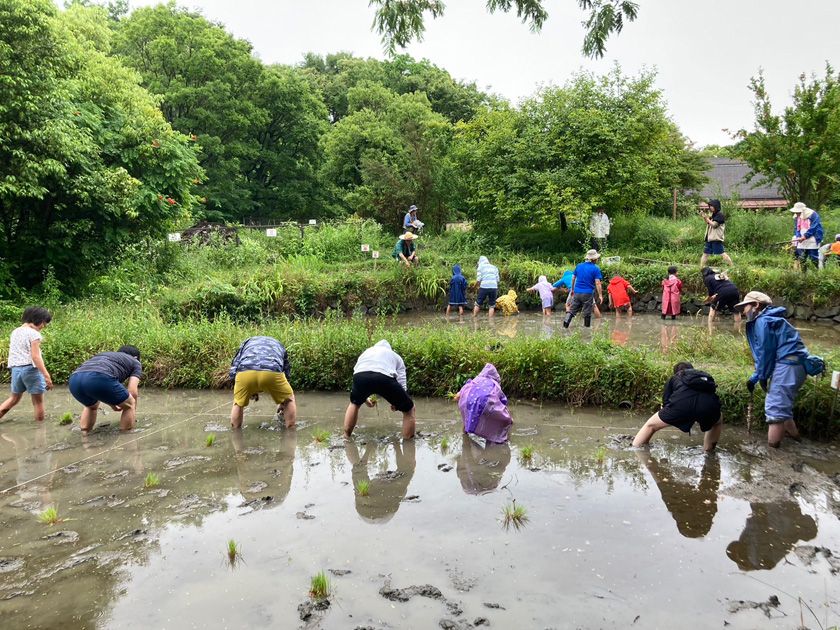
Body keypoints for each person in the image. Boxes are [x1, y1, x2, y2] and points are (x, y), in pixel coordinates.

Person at [735, 291, 809, 448]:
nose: (744, 311)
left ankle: (773, 453)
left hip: (787, 366)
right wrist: (756, 376)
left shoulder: (763, 321)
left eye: (746, 307)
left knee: (775, 409)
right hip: (796, 367)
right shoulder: (773, 319)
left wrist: (760, 376)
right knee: (783, 408)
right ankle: (797, 441)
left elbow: (766, 352)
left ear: (756, 305)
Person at [633, 362, 723, 452]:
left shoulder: (675, 377)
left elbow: (665, 402)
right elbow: (713, 394)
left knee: (650, 426)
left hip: (682, 405)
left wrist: (665, 409)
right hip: (708, 406)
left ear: (676, 372)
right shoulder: (704, 377)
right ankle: (708, 451)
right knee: (718, 422)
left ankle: (636, 449)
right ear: (693, 369)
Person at [344, 340, 415, 440]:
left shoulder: (366, 352)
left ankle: (346, 436)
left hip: (360, 376)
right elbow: (402, 382)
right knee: (409, 410)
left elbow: (359, 374)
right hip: (384, 377)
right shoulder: (395, 356)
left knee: (354, 403)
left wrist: (364, 398)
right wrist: (398, 403)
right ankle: (408, 445)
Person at [68, 345, 142, 433]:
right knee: (130, 404)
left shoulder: (106, 355)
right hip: (99, 377)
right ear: (136, 357)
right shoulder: (135, 362)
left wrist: (113, 404)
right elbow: (132, 391)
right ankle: (126, 437)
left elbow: (104, 390)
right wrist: (132, 409)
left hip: (74, 379)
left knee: (91, 406)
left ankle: (85, 435)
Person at [229, 336, 297, 429]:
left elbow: (234, 368)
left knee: (237, 403)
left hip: (245, 372)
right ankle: (290, 431)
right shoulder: (279, 344)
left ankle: (235, 432)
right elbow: (286, 371)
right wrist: (283, 402)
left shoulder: (246, 342)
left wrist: (246, 390)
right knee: (289, 399)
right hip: (271, 371)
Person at [0, 307, 53, 423]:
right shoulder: (34, 334)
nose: (43, 326)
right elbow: (35, 357)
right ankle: (40, 430)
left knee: (14, 398)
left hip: (16, 370)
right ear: (36, 319)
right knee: (38, 402)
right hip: (31, 370)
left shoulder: (15, 332)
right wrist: (46, 375)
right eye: (43, 322)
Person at [453, 363, 513, 443]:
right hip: (487, 403)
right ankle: (498, 439)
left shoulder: (474, 381)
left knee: (469, 411)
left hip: (468, 401)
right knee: (505, 420)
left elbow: (457, 397)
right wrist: (509, 419)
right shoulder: (494, 384)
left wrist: (465, 410)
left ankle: (465, 434)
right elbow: (502, 405)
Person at [563, 249, 603, 329]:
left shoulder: (579, 266)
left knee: (572, 311)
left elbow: (573, 279)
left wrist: (573, 290)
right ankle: (586, 331)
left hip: (577, 293)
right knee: (587, 313)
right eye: (597, 258)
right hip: (587, 293)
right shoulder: (596, 269)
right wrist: (600, 295)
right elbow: (598, 283)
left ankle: (564, 327)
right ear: (594, 259)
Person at [790, 201, 823, 270]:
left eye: (798, 212)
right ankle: (804, 274)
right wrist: (798, 236)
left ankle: (818, 272)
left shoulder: (813, 215)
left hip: (813, 239)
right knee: (802, 258)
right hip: (801, 240)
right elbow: (797, 228)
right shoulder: (797, 217)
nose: (797, 214)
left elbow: (814, 227)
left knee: (814, 257)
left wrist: (805, 236)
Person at [700, 199, 732, 266]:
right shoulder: (714, 215)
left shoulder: (720, 215)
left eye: (712, 206)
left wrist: (707, 218)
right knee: (705, 254)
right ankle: (701, 267)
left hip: (716, 238)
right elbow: (708, 224)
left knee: (722, 254)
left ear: (716, 206)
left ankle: (732, 266)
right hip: (711, 238)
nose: (710, 207)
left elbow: (714, 225)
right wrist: (705, 218)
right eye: (710, 206)